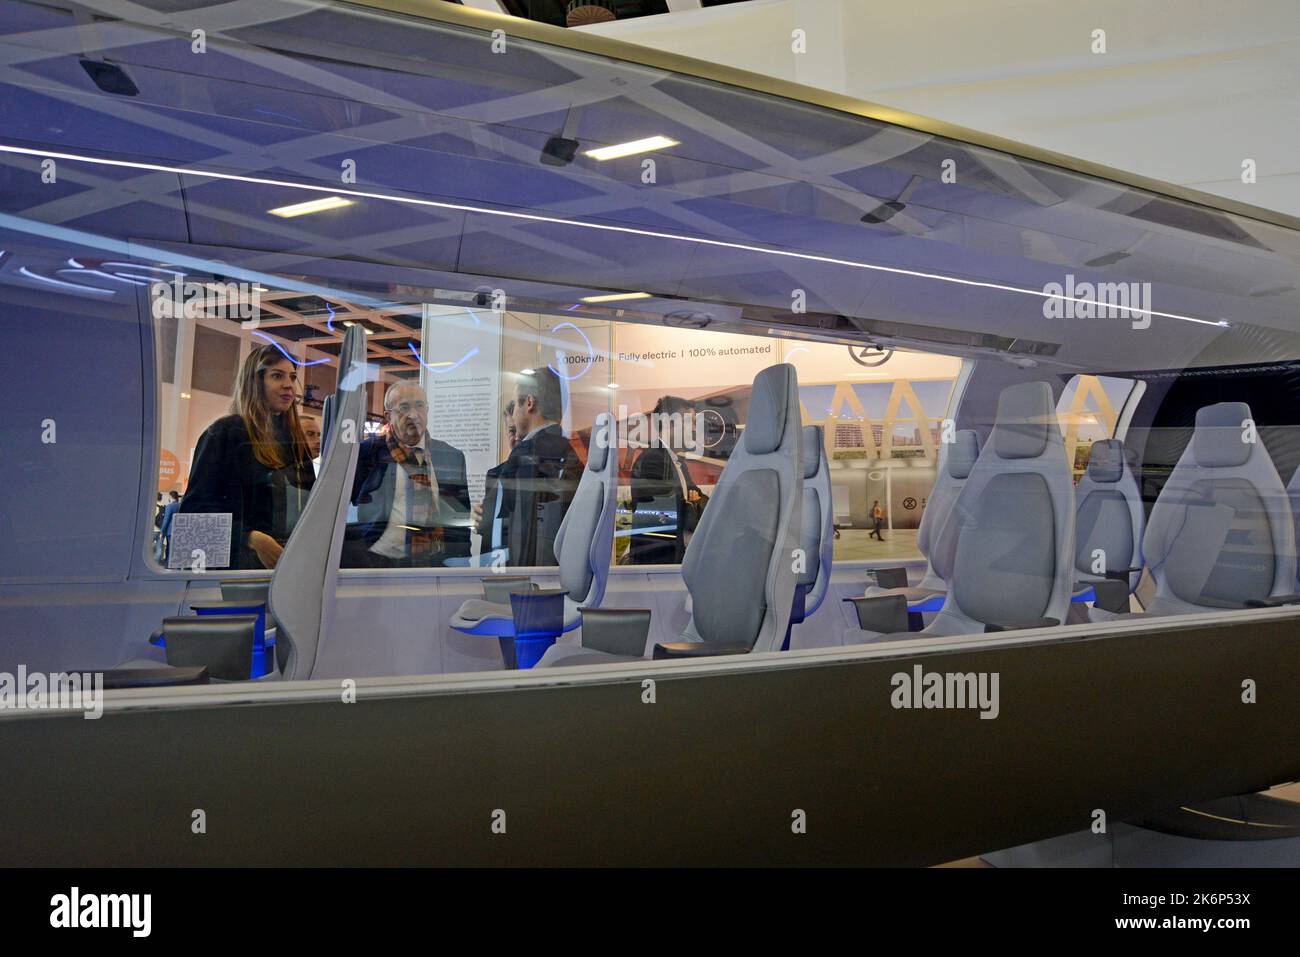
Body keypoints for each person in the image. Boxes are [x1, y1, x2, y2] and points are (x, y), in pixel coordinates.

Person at [179, 344, 316, 570]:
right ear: (255, 382)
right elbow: (194, 517)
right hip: (235, 573)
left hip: (289, 569)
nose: (288, 385)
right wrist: (250, 538)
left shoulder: (294, 443)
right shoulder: (226, 433)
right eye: (277, 376)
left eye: (292, 377)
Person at [344, 381, 471, 568]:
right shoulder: (367, 453)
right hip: (377, 562)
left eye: (419, 406)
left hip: (435, 562)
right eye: (404, 407)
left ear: (427, 410)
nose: (413, 414)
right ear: (388, 416)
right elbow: (343, 510)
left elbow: (460, 513)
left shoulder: (450, 456)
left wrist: (461, 559)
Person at [497, 368, 582, 567]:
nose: (515, 412)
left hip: (528, 574)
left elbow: (512, 525)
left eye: (516, 404)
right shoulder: (571, 453)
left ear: (529, 403)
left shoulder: (526, 454)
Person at [475, 401, 518, 555]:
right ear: (506, 432)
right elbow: (487, 532)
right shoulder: (494, 475)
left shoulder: (548, 472)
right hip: (497, 561)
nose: (517, 437)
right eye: (513, 431)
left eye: (521, 431)